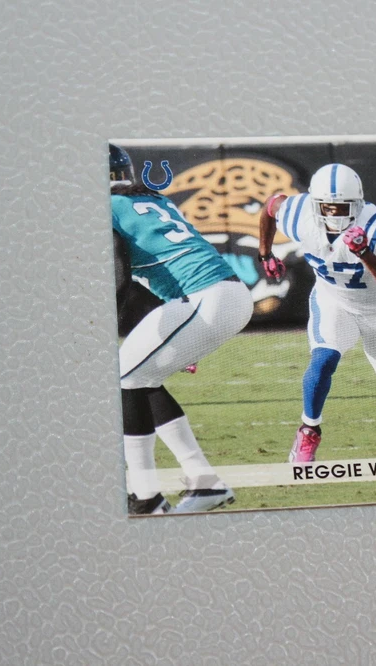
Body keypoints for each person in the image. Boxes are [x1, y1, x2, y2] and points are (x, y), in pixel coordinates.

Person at [110, 144, 254, 514]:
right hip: (223, 295)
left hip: (204, 298)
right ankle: (202, 483)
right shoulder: (151, 198)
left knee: (125, 377)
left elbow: (119, 277)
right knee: (142, 378)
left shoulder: (107, 207)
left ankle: (146, 495)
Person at [257, 163, 376, 462]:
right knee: (323, 359)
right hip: (332, 300)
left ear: (357, 203)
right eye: (327, 207)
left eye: (342, 207)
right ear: (315, 203)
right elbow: (271, 207)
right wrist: (265, 252)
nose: (334, 214)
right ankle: (309, 430)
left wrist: (365, 254)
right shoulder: (299, 214)